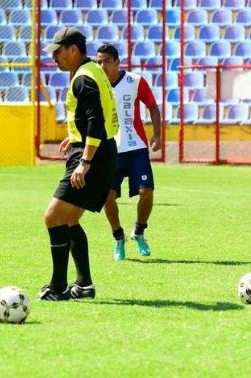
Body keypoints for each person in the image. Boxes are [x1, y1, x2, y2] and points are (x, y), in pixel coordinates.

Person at [38, 27, 119, 301]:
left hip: (92, 157)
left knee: (53, 217)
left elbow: (96, 120)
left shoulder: (83, 78)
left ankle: (58, 287)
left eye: (58, 52)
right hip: (101, 151)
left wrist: (84, 161)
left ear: (73, 49)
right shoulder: (93, 71)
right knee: (69, 219)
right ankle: (84, 285)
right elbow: (93, 117)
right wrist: (74, 137)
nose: (55, 58)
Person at [96, 44, 161, 261]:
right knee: (107, 196)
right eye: (98, 62)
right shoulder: (95, 84)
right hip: (109, 149)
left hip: (136, 147)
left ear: (117, 62)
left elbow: (152, 106)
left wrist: (157, 134)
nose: (101, 66)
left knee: (146, 191)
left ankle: (139, 231)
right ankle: (118, 237)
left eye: (106, 61)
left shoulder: (135, 81)